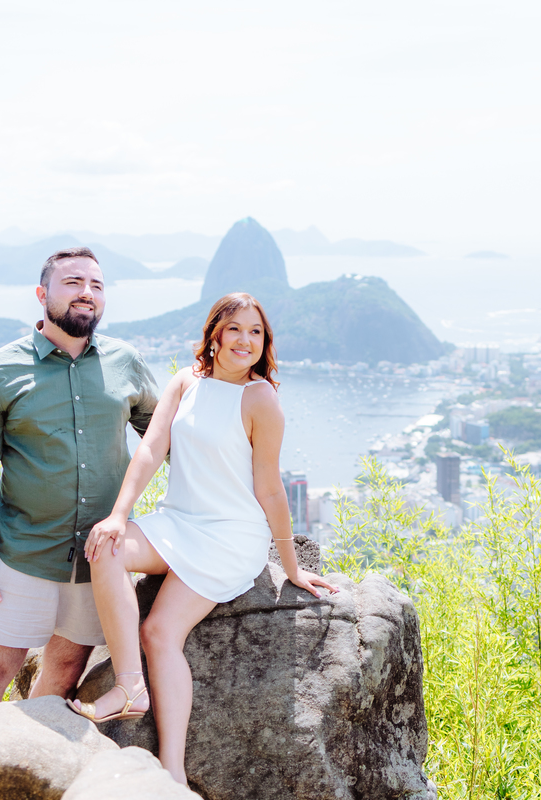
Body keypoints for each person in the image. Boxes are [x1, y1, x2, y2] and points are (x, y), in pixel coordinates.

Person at [67, 292, 336, 786]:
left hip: (229, 538)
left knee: (160, 633)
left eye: (256, 332)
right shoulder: (186, 382)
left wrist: (291, 567)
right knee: (104, 548)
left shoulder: (261, 399)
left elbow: (270, 488)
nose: (245, 340)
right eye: (235, 328)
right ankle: (130, 687)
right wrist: (119, 516)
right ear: (214, 333)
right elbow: (150, 449)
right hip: (178, 522)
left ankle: (171, 769)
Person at [0, 247, 159, 723]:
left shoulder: (127, 363)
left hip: (96, 564)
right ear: (42, 295)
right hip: (21, 558)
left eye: (97, 286)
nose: (87, 293)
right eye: (73, 283)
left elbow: (164, 438)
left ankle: (27, 776)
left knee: (61, 676)